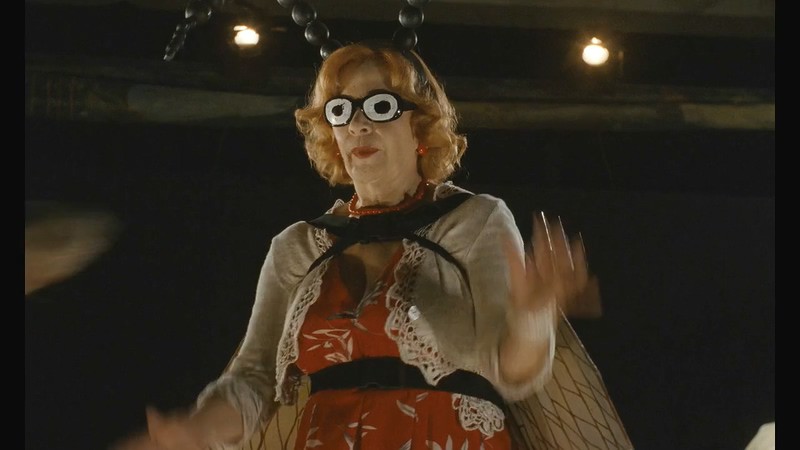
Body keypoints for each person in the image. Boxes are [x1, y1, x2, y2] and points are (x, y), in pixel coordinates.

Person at [112, 42, 612, 450]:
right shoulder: (298, 246)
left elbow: (514, 370)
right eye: (340, 111)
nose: (357, 124)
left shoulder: (473, 219)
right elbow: (253, 378)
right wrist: (195, 430)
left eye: (379, 106)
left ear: (419, 125)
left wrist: (532, 316)